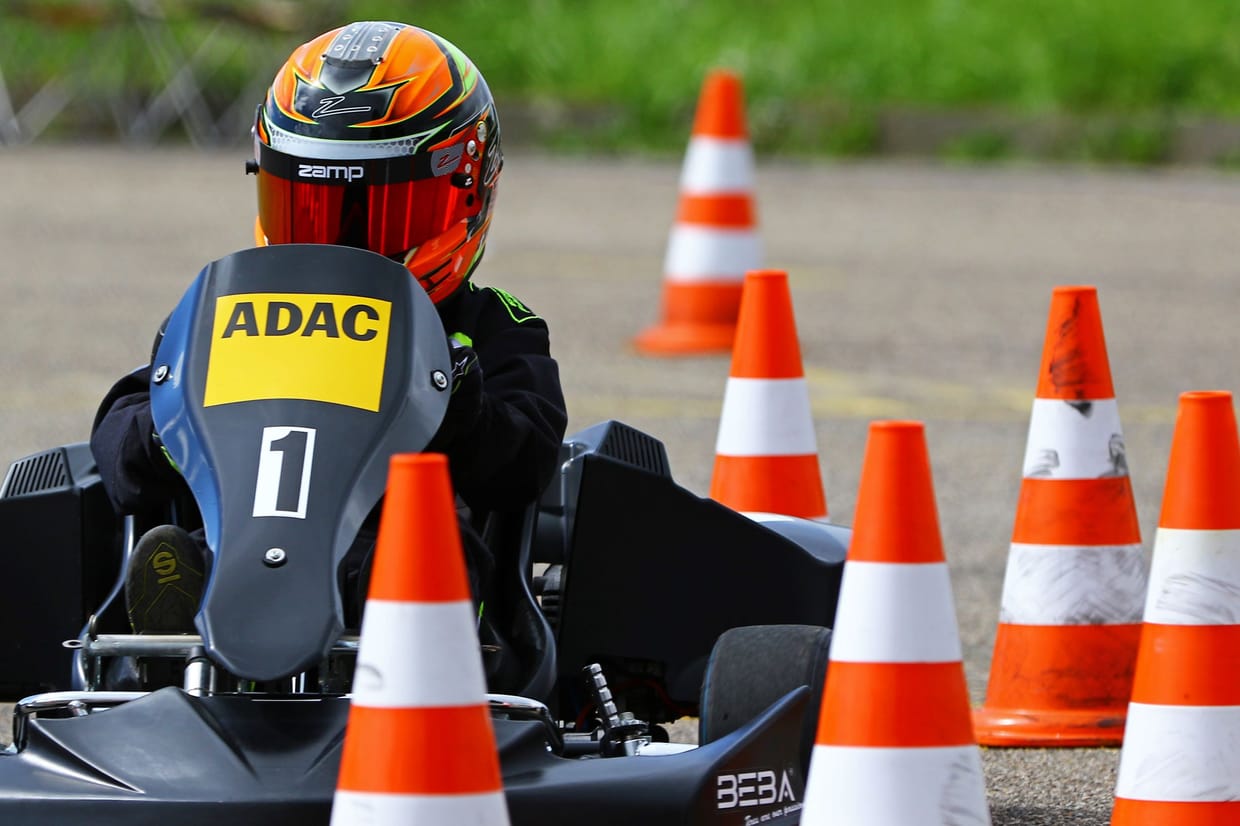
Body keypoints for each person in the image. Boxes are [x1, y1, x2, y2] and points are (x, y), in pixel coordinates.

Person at [89, 21, 568, 666]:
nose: (339, 249)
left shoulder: (493, 327)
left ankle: (368, 604)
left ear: (464, 186)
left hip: (415, 609)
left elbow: (531, 457)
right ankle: (189, 598)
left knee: (419, 544)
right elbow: (119, 443)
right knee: (181, 537)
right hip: (240, 542)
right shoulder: (236, 314)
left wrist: (464, 413)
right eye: (311, 207)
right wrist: (169, 426)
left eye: (372, 214)